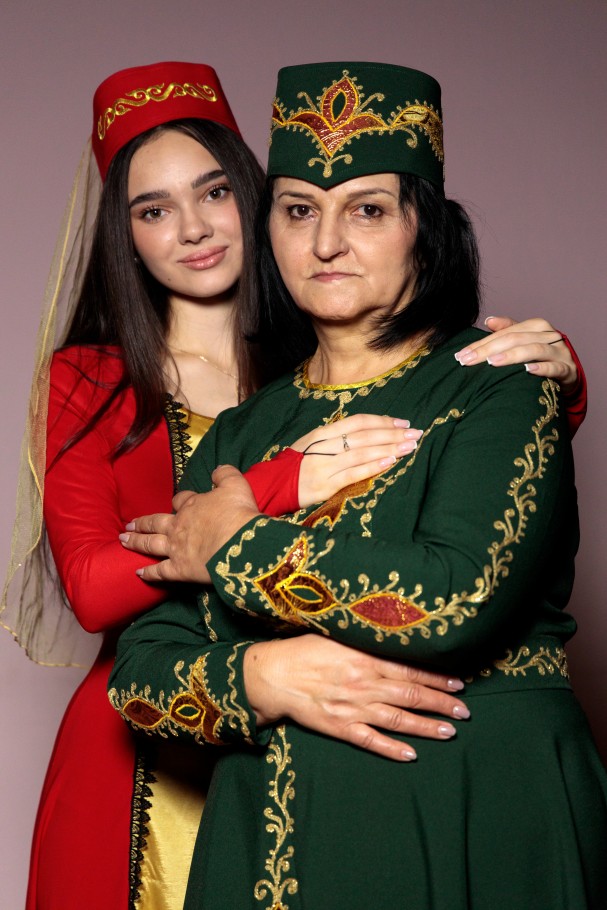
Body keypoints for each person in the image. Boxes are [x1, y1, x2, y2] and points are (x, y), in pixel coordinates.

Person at [1, 61, 586, 909]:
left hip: (456, 800)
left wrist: (559, 379)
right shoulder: (216, 417)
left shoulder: (456, 372)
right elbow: (124, 641)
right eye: (301, 209)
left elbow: (459, 577)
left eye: (368, 210)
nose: (325, 243)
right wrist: (258, 665)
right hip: (217, 798)